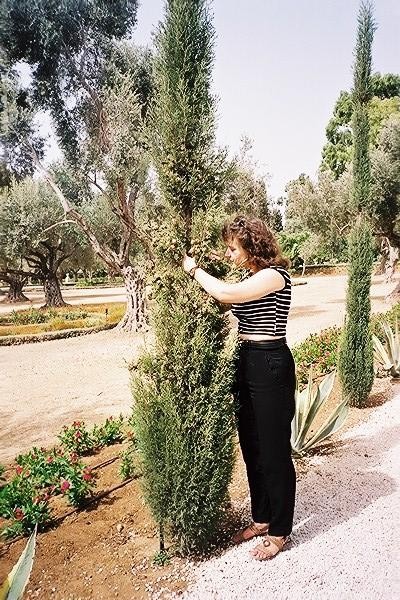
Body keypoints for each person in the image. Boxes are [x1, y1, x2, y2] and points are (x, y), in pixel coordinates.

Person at [183, 215, 296, 561]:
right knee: (252, 447)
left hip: (270, 362)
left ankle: (280, 531)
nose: (229, 254)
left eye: (233, 248)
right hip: (245, 360)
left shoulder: (274, 276)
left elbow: (225, 293)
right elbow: (223, 299)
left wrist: (193, 269)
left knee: (274, 450)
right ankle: (262, 518)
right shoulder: (250, 277)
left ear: (251, 245)